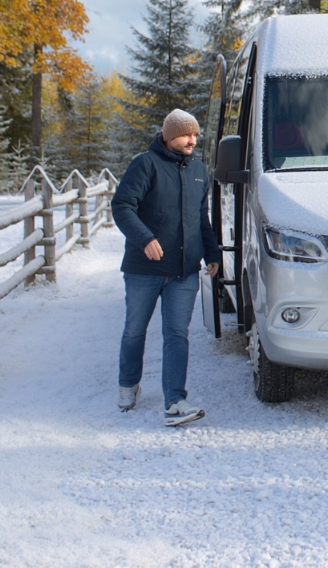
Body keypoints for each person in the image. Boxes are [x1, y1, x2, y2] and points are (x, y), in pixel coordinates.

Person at [112, 109, 221, 427]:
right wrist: (144, 238)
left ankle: (175, 400)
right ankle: (127, 385)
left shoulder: (199, 170)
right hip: (143, 269)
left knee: (177, 334)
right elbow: (122, 205)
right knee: (135, 330)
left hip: (184, 271)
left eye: (196, 135)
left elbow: (202, 219)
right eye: (187, 134)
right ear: (168, 135)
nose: (193, 140)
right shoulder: (145, 164)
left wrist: (211, 252)